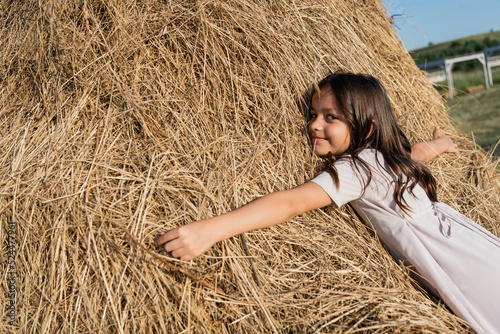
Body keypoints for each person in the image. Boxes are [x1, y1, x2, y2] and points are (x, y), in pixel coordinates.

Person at [155, 73, 500, 333]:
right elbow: (418, 154)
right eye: (312, 114)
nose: (314, 125)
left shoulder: (356, 168)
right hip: (476, 248)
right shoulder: (383, 157)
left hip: (463, 265)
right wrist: (438, 145)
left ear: (367, 127)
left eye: (330, 117)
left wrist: (210, 230)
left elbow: (290, 202)